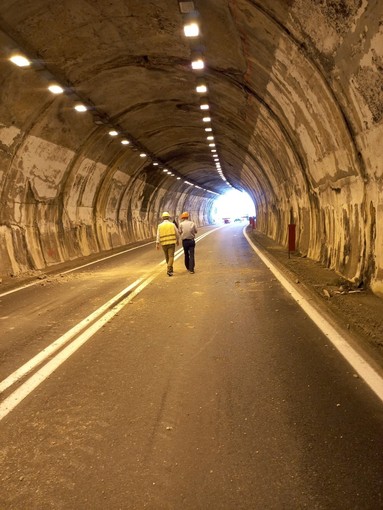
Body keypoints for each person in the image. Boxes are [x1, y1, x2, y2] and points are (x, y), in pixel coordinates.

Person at [156, 211, 180, 276]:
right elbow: (177, 233)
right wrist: (177, 240)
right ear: (168, 217)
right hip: (171, 243)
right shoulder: (172, 225)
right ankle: (169, 269)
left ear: (163, 218)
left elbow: (158, 234)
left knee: (167, 257)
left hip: (164, 244)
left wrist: (157, 243)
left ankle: (170, 269)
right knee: (171, 256)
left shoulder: (160, 226)